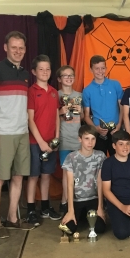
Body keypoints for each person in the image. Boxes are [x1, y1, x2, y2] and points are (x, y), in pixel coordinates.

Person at [0, 31, 34, 238]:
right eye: (14, 47)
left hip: (22, 132)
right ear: (6, 48)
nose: (18, 51)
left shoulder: (24, 73)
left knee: (18, 176)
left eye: (21, 48)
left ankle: (12, 218)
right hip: (3, 133)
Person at [26, 54, 61, 224]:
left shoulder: (54, 92)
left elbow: (56, 117)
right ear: (34, 71)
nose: (45, 72)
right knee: (34, 176)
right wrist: (40, 141)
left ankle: (45, 206)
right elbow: (30, 119)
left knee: (47, 175)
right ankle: (31, 209)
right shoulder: (31, 92)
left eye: (47, 69)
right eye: (41, 69)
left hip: (50, 142)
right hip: (35, 142)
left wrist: (56, 139)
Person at [59, 125, 106, 236]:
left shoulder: (100, 156)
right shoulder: (71, 157)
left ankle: (85, 217)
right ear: (80, 139)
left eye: (93, 139)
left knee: (100, 228)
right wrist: (70, 210)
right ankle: (78, 216)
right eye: (86, 138)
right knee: (68, 229)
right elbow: (70, 184)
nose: (90, 142)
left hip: (93, 199)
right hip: (76, 200)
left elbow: (100, 182)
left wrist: (100, 207)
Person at [82, 55, 123, 156]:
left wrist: (119, 125)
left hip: (116, 130)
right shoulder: (87, 90)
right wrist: (96, 129)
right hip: (99, 132)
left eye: (102, 68)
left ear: (106, 68)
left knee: (118, 160)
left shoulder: (115, 84)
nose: (100, 71)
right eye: (97, 68)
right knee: (100, 163)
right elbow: (86, 116)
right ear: (91, 69)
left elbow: (122, 108)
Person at [57, 65, 82, 216]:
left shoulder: (79, 95)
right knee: (67, 173)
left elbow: (84, 118)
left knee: (78, 173)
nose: (69, 78)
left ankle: (77, 201)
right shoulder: (56, 94)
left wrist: (81, 112)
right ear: (59, 79)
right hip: (64, 139)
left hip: (78, 139)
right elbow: (51, 117)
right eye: (65, 75)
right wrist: (60, 112)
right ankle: (64, 202)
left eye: (71, 75)